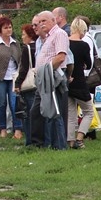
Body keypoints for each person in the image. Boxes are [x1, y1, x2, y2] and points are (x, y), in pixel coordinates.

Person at [29, 11, 69, 149]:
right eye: (39, 22)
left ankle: (59, 145)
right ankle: (41, 143)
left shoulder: (59, 34)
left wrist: (46, 69)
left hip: (52, 76)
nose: (41, 24)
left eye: (44, 21)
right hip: (43, 77)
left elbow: (61, 57)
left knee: (54, 111)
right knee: (38, 110)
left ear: (53, 20)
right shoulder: (47, 37)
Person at [0, 16, 22, 140]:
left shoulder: (15, 43)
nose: (8, 30)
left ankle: (17, 129)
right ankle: (3, 128)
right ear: (0, 30)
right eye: (5, 28)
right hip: (0, 79)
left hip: (13, 78)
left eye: (10, 27)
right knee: (1, 104)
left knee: (14, 103)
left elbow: (21, 60)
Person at [66, 17, 93, 149]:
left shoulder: (66, 43)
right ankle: (79, 138)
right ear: (82, 30)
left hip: (67, 82)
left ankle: (69, 141)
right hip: (79, 83)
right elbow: (88, 64)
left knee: (71, 114)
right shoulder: (84, 45)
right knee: (89, 111)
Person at [13, 23, 37, 146]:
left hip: (28, 84)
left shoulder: (26, 49)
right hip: (38, 82)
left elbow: (24, 69)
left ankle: (29, 141)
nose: (22, 37)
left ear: (29, 36)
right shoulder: (40, 47)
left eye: (23, 34)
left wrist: (17, 83)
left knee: (27, 113)